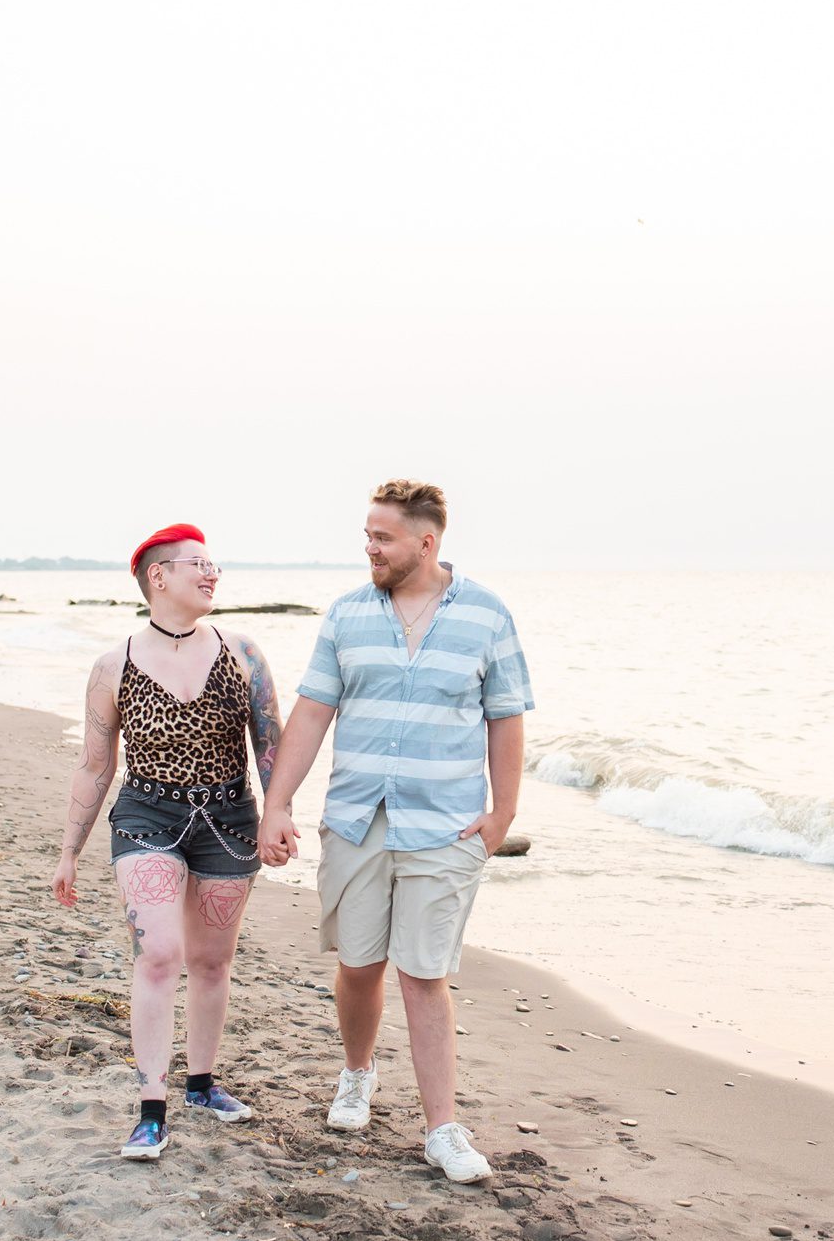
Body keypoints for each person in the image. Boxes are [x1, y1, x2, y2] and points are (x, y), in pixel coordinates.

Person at [258, 480, 533, 1184]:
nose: (370, 549)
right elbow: (313, 713)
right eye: (368, 536)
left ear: (426, 542)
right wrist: (278, 804)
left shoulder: (486, 614)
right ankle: (357, 1075)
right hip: (357, 817)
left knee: (424, 975)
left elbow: (506, 717)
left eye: (382, 538)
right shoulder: (348, 615)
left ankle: (443, 1129)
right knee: (358, 965)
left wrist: (503, 815)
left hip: (445, 826)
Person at [51, 523, 287, 1160]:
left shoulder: (243, 652)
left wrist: (277, 813)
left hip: (229, 818)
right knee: (158, 953)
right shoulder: (114, 666)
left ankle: (202, 1084)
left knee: (211, 960)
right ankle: (151, 1106)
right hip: (146, 817)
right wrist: (70, 850)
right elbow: (96, 764)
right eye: (198, 565)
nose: (212, 575)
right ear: (159, 577)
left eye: (215, 566)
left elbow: (270, 744)